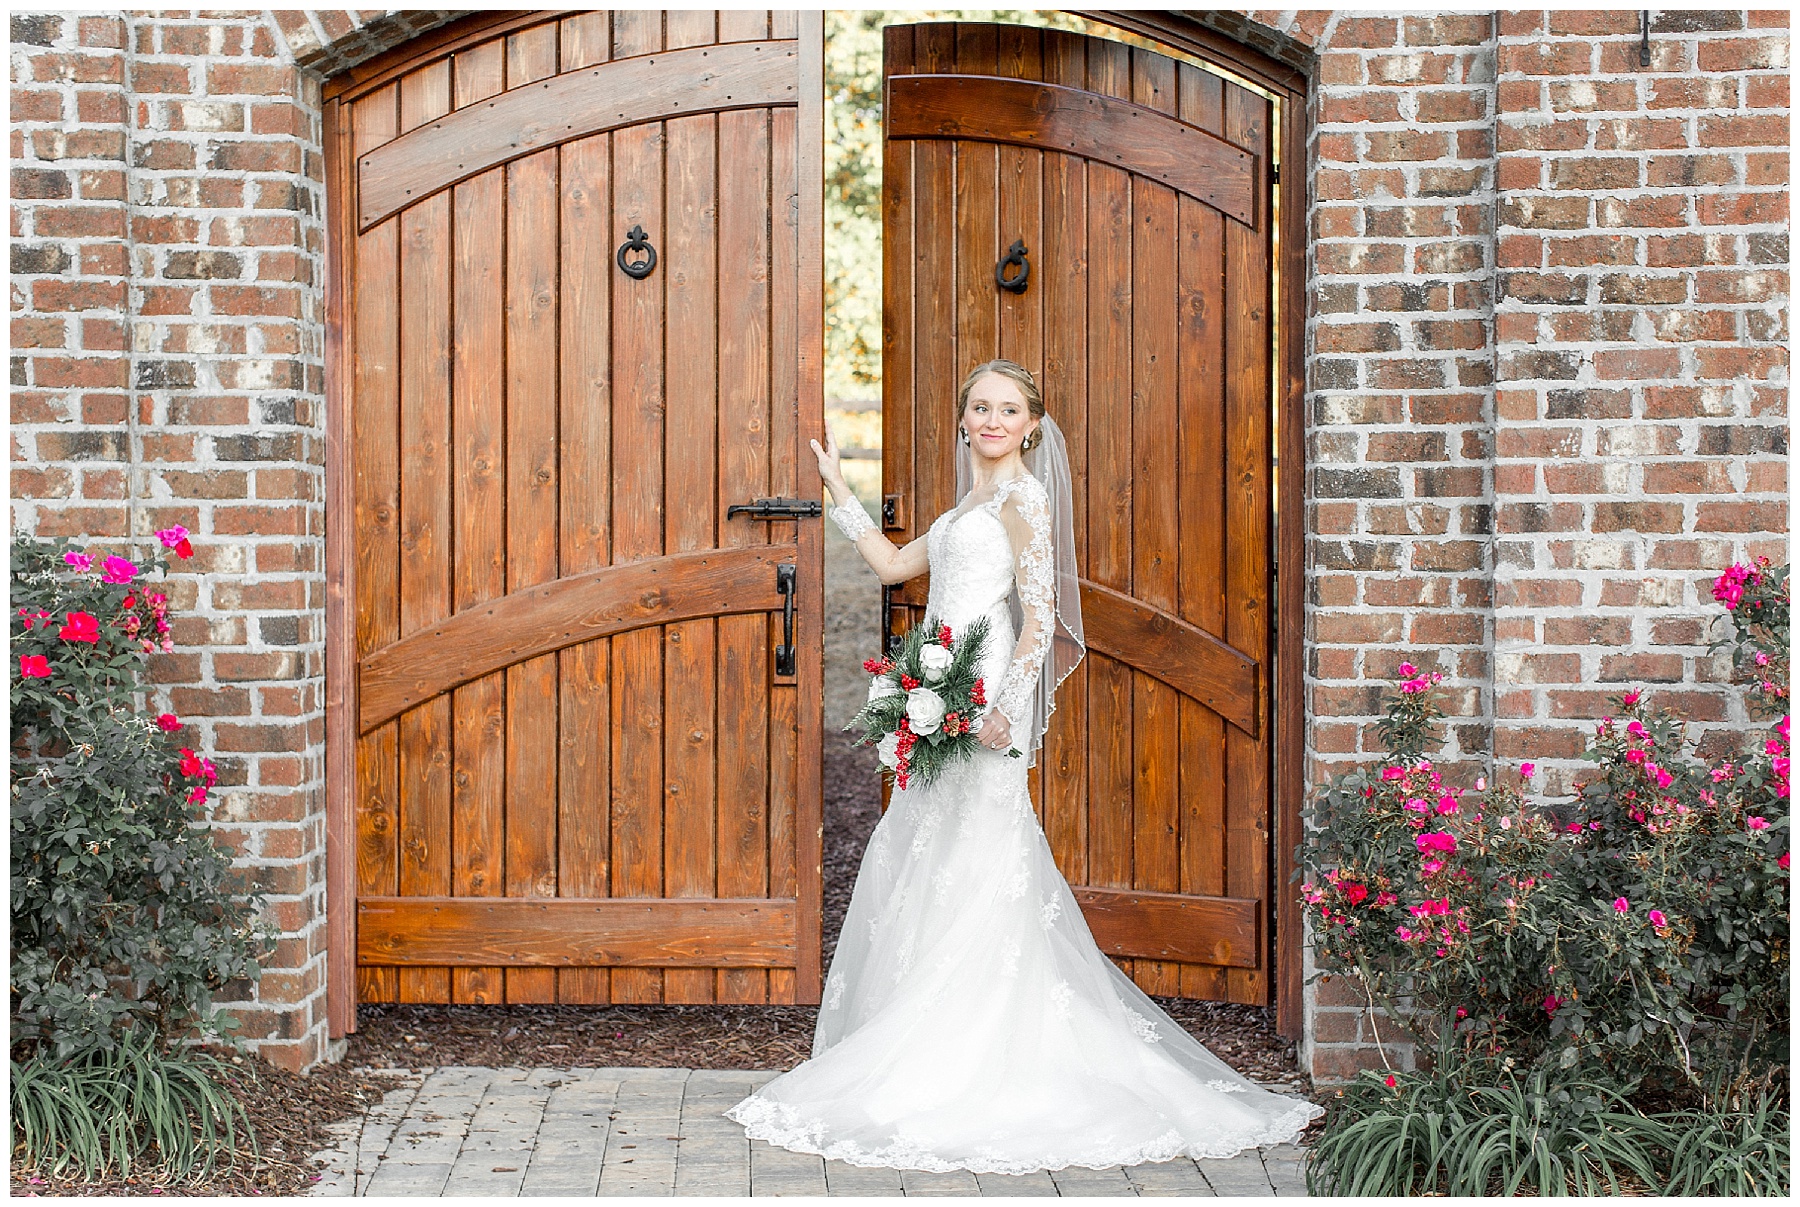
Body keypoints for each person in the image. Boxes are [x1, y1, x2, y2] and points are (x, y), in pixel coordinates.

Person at [725, 360, 1321, 1173]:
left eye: (1009, 409)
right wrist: (837, 486)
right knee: (926, 851)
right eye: (981, 406)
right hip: (943, 685)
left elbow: (1040, 619)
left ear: (1033, 425)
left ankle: (974, 1050)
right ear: (964, 419)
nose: (993, 419)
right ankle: (927, 1038)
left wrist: (1003, 704)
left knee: (983, 855)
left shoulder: (1023, 500)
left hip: (985, 692)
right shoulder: (967, 503)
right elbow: (895, 568)